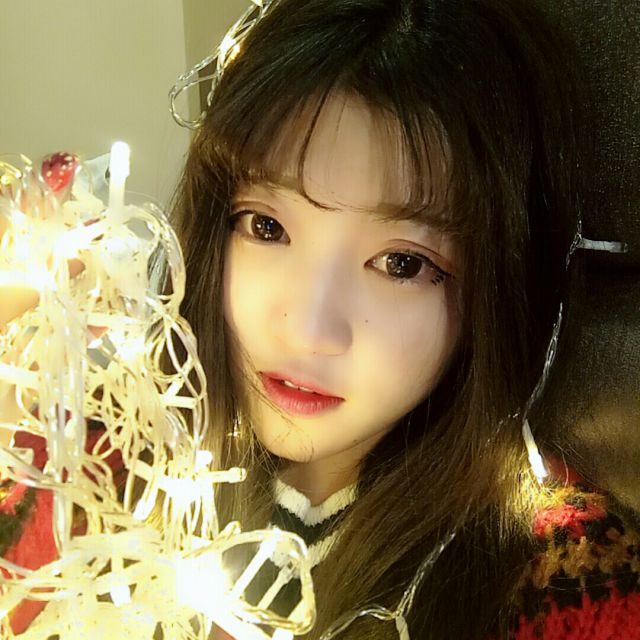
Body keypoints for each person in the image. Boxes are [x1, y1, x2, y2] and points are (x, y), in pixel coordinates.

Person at [1, 0, 638, 638]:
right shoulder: (98, 467)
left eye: (402, 264)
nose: (307, 329)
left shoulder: (568, 580)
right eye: (266, 226)